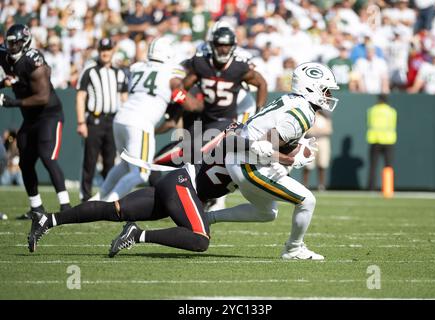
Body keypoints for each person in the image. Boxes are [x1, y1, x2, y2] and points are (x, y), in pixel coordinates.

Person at [26, 123, 288, 255]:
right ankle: (137, 235)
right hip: (184, 185)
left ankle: (48, 219)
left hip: (176, 184)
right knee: (199, 238)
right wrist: (284, 160)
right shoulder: (244, 143)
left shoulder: (251, 147)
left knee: (115, 209)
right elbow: (238, 150)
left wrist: (285, 159)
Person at [208, 62, 341, 260]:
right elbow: (263, 147)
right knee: (307, 200)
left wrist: (296, 146)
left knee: (266, 213)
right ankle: (294, 249)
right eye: (325, 90)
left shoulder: (292, 100)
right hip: (248, 163)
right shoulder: (302, 114)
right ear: (310, 88)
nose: (328, 95)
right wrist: (291, 159)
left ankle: (207, 217)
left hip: (241, 158)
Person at [91, 37, 198, 202]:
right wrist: (196, 104)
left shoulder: (137, 67)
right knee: (141, 173)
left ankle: (98, 197)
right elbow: (186, 101)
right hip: (140, 122)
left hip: (121, 118)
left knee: (125, 165)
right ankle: (107, 204)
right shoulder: (171, 72)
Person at [0, 24, 71, 218]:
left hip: (49, 115)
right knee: (25, 162)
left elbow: (43, 97)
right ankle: (36, 208)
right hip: (30, 118)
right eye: (9, 43)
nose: (11, 47)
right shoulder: (5, 56)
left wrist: (12, 102)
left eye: (16, 43)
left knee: (47, 157)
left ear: (25, 42)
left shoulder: (33, 61)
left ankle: (66, 206)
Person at [182, 26, 267, 164]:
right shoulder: (201, 63)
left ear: (233, 47)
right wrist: (180, 102)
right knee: (187, 152)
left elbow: (261, 83)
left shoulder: (239, 66)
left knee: (198, 155)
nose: (223, 49)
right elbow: (182, 88)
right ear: (212, 46)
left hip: (227, 120)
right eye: (220, 45)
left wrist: (260, 110)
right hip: (204, 117)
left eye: (227, 46)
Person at [76, 38, 129, 202]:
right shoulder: (90, 71)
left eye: (108, 49)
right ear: (98, 51)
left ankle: (108, 196)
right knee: (90, 160)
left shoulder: (119, 73)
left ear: (113, 51)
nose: (105, 53)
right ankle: (85, 196)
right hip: (95, 119)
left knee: (109, 160)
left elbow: (124, 98)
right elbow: (80, 97)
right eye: (102, 50)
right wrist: (81, 122)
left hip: (113, 120)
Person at [366, 94, 397, 191]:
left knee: (373, 166)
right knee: (388, 166)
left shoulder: (372, 110)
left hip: (375, 140)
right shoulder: (391, 111)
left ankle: (371, 188)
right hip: (388, 140)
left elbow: (369, 122)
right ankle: (388, 189)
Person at [302, 110, 333, 191]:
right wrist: (316, 132)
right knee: (308, 164)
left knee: (323, 164)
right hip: (311, 141)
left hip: (323, 141)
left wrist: (318, 132)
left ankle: (321, 186)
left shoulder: (326, 117)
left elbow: (329, 130)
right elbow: (309, 130)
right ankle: (305, 185)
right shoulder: (310, 115)